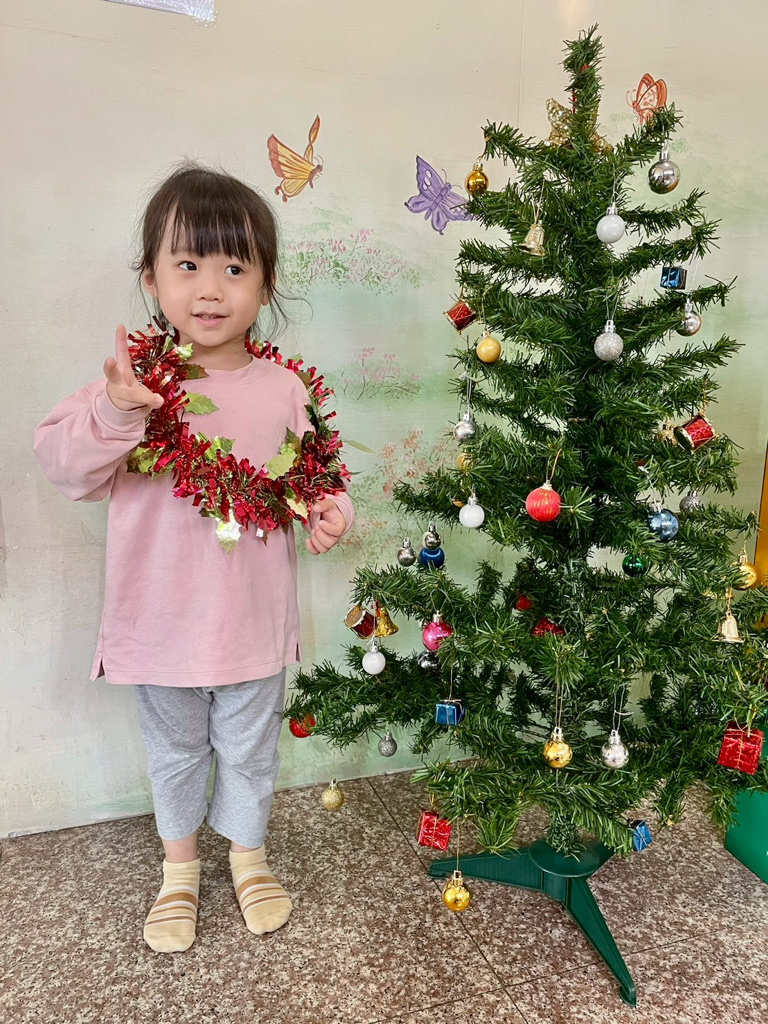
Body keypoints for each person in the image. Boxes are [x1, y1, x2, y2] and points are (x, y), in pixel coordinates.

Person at [33, 164, 354, 954]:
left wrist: (330, 509)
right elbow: (67, 468)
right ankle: (179, 869)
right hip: (160, 623)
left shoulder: (285, 388)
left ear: (266, 283)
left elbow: (316, 476)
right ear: (151, 277)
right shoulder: (134, 386)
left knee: (249, 749)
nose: (211, 289)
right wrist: (117, 411)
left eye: (235, 267)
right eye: (187, 264)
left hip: (251, 622)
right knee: (175, 752)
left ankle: (248, 857)